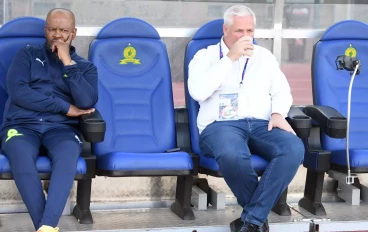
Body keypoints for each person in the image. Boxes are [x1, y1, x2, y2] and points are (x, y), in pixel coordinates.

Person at [188, 5, 304, 232]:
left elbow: (281, 90)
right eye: (239, 31)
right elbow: (198, 91)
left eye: (250, 31)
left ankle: (251, 221)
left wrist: (278, 113)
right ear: (225, 29)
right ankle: (257, 221)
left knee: (293, 148)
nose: (246, 37)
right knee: (232, 153)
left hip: (261, 124)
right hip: (220, 126)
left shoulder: (265, 57)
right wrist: (230, 57)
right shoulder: (205, 56)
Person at [1, 8, 98, 232]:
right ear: (45, 30)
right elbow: (18, 92)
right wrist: (64, 107)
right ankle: (47, 227)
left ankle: (46, 227)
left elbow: (86, 101)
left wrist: (67, 62)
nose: (57, 35)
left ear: (73, 33)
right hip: (21, 125)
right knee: (20, 153)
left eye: (63, 30)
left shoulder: (85, 67)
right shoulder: (26, 54)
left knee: (67, 154)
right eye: (52, 29)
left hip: (61, 128)